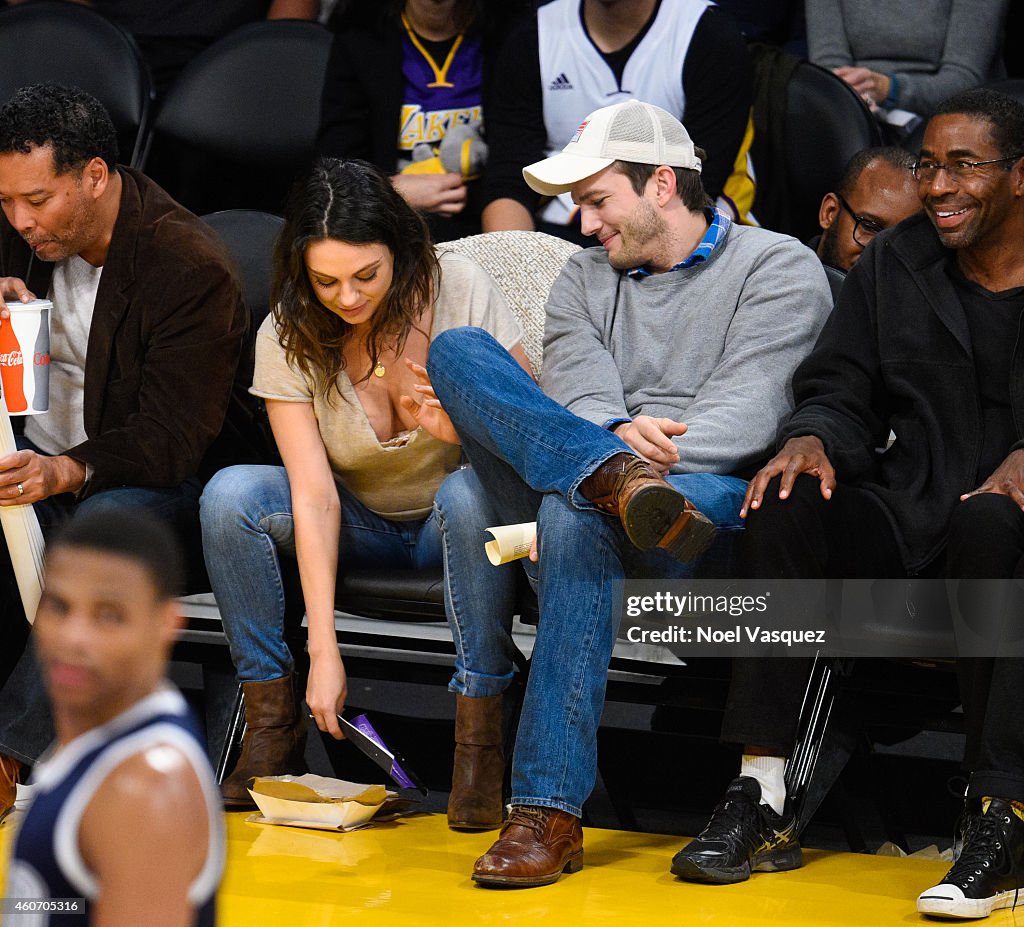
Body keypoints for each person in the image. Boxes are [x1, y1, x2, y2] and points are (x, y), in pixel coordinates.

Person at [419, 99, 831, 886]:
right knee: (461, 349)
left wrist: (615, 451)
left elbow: (747, 415)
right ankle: (608, 482)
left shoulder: (778, 266)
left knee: (576, 509)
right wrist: (610, 448)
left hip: (697, 515)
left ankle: (547, 814)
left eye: (597, 200)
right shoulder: (583, 278)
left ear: (664, 185)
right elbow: (575, 394)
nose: (581, 224)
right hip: (579, 484)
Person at [673, 89, 1024, 918]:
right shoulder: (900, 263)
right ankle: (761, 791)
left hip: (1006, 530)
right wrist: (816, 436)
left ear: (1018, 177)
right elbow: (841, 386)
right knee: (787, 496)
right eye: (930, 164)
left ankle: (1001, 818)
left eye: (963, 165)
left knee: (993, 522)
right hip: (917, 511)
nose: (938, 185)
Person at [199, 158, 532, 813]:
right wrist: (325, 651)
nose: (347, 298)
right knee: (230, 496)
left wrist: (459, 427)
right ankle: (272, 725)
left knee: (465, 495)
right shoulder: (288, 330)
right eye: (325, 281)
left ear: (400, 252)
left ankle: (481, 744)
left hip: (464, 516)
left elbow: (530, 443)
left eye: (365, 276)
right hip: (358, 519)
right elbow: (314, 495)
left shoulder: (458, 286)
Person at [0, 83, 254, 820]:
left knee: (103, 527)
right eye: (7, 200)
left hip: (166, 488)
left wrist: (66, 468)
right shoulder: (22, 231)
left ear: (96, 176)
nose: (20, 220)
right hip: (34, 468)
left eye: (37, 200)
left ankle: (10, 753)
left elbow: (170, 439)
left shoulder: (187, 264)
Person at [3, 508, 224, 927]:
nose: (74, 637)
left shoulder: (143, 786)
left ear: (166, 624)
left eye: (109, 615)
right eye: (59, 606)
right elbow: (66, 905)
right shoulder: (101, 726)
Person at [480, 0, 757, 244]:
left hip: (680, 229)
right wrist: (515, 268)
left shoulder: (710, 35)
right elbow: (509, 179)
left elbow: (697, 185)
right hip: (558, 233)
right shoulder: (531, 37)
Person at [317, 0, 530, 242]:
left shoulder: (513, 32)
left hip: (487, 218)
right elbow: (335, 165)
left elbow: (517, 163)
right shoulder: (359, 37)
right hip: (388, 223)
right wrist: (391, 192)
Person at [807, 0, 1009, 132]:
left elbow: (965, 79)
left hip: (947, 114)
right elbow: (829, 64)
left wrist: (888, 89)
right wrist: (851, 94)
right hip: (855, 109)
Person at [812, 146, 919, 273]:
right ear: (829, 212)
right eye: (869, 227)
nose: (880, 256)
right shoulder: (784, 278)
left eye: (901, 240)